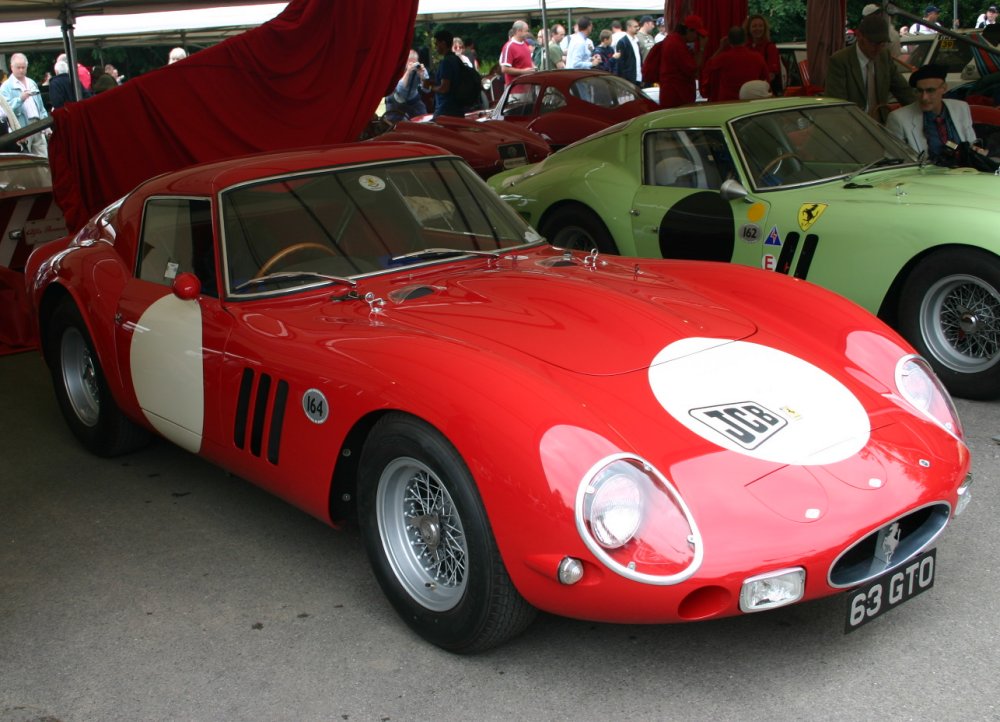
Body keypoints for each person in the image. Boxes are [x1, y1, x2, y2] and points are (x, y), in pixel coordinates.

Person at [825, 13, 914, 123]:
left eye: (882, 43)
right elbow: (837, 104)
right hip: (852, 124)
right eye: (873, 43)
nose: (878, 48)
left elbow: (903, 90)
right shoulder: (840, 61)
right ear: (859, 36)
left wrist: (921, 110)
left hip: (881, 123)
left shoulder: (884, 56)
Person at [886, 64, 977, 160]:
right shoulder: (899, 118)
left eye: (930, 90)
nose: (924, 97)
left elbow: (971, 143)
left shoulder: (961, 108)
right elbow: (893, 159)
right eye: (920, 91)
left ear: (944, 88)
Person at [702, 26, 770, 102]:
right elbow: (766, 80)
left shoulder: (723, 58)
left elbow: (707, 67)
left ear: (729, 40)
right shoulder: (758, 57)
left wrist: (720, 48)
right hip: (750, 100)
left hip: (727, 101)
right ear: (745, 39)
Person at [0, 53, 49, 156]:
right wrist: (20, 99)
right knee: (26, 157)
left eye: (23, 67)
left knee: (44, 157)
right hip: (22, 129)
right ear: (12, 67)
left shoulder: (32, 83)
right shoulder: (6, 87)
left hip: (38, 125)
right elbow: (6, 111)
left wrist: (46, 125)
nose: (21, 70)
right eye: (18, 67)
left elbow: (40, 107)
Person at [424, 29, 465, 118]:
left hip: (445, 110)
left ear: (443, 43)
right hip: (458, 109)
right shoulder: (456, 60)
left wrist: (430, 87)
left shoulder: (446, 62)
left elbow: (444, 88)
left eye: (437, 43)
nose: (435, 46)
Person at [383, 49, 428, 121]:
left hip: (412, 97)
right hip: (395, 97)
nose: (413, 66)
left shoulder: (420, 69)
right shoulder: (396, 68)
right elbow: (400, 89)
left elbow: (426, 90)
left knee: (423, 118)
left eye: (415, 62)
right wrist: (408, 71)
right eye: (410, 63)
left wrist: (423, 77)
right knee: (393, 123)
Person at [744, 14, 781, 96]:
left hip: (762, 93)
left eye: (760, 26)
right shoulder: (745, 47)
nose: (758, 28)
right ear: (748, 29)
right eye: (754, 26)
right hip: (745, 91)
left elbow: (771, 75)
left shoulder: (770, 47)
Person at [499, 20, 535, 84]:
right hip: (516, 88)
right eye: (526, 31)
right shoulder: (509, 46)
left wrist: (533, 67)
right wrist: (523, 71)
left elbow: (527, 60)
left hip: (528, 86)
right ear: (519, 31)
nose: (527, 33)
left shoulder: (525, 43)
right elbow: (504, 69)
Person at [615, 18, 643, 87]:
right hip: (628, 79)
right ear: (629, 27)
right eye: (635, 26)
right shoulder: (622, 42)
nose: (638, 28)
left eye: (638, 26)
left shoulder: (636, 41)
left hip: (638, 77)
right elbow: (620, 63)